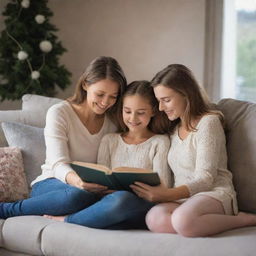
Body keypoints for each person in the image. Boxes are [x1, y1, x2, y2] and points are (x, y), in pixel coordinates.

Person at [130, 64, 256, 237]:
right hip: (185, 199)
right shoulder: (174, 129)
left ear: (186, 95)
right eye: (159, 101)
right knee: (154, 218)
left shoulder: (209, 122)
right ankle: (194, 223)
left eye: (166, 100)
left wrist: (166, 195)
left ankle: (243, 220)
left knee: (183, 220)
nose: (160, 108)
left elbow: (206, 179)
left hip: (214, 193)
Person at [0, 56, 127, 221]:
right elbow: (58, 163)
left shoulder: (112, 122)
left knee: (122, 200)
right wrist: (78, 182)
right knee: (77, 196)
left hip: (91, 189)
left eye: (113, 96)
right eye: (100, 94)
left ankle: (68, 216)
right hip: (53, 183)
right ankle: (7, 210)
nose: (106, 102)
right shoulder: (60, 112)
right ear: (85, 85)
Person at [45, 80, 172, 229]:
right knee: (102, 199)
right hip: (110, 201)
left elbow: (164, 186)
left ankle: (68, 220)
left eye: (141, 113)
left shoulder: (160, 142)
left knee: (122, 199)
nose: (133, 118)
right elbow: (102, 179)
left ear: (153, 111)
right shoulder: (109, 140)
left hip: (140, 205)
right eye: (127, 111)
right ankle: (104, 220)